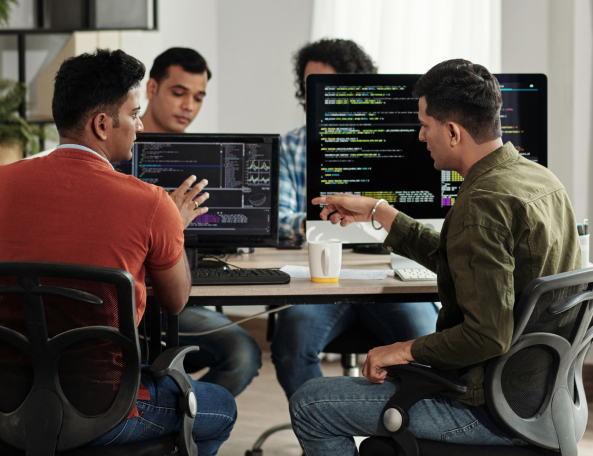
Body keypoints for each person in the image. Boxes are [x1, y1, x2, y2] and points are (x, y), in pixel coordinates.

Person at [288, 59, 582, 455]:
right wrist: (383, 213)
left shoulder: (481, 204)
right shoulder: (540, 179)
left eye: (425, 125)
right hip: (545, 400)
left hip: (488, 408)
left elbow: (486, 335)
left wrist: (400, 349)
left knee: (311, 404)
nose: (421, 136)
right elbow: (465, 265)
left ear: (453, 132)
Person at [0, 48, 236, 454]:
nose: (140, 125)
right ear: (103, 124)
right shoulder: (150, 202)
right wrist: (173, 227)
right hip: (106, 407)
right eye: (134, 114)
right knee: (221, 409)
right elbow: (176, 300)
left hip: (8, 403)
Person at [271, 38, 438, 400]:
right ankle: (326, 436)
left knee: (430, 343)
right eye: (309, 87)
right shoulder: (294, 146)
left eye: (328, 88)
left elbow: (422, 219)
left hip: (393, 276)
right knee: (290, 345)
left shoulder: (404, 144)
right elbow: (280, 219)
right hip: (322, 279)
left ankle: (399, 432)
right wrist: (323, 222)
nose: (317, 96)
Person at [140, 47, 261, 397]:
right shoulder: (121, 151)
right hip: (127, 301)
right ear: (151, 89)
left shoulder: (202, 158)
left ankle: (184, 424)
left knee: (243, 353)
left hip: (182, 296)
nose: (189, 106)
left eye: (198, 97)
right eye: (179, 93)